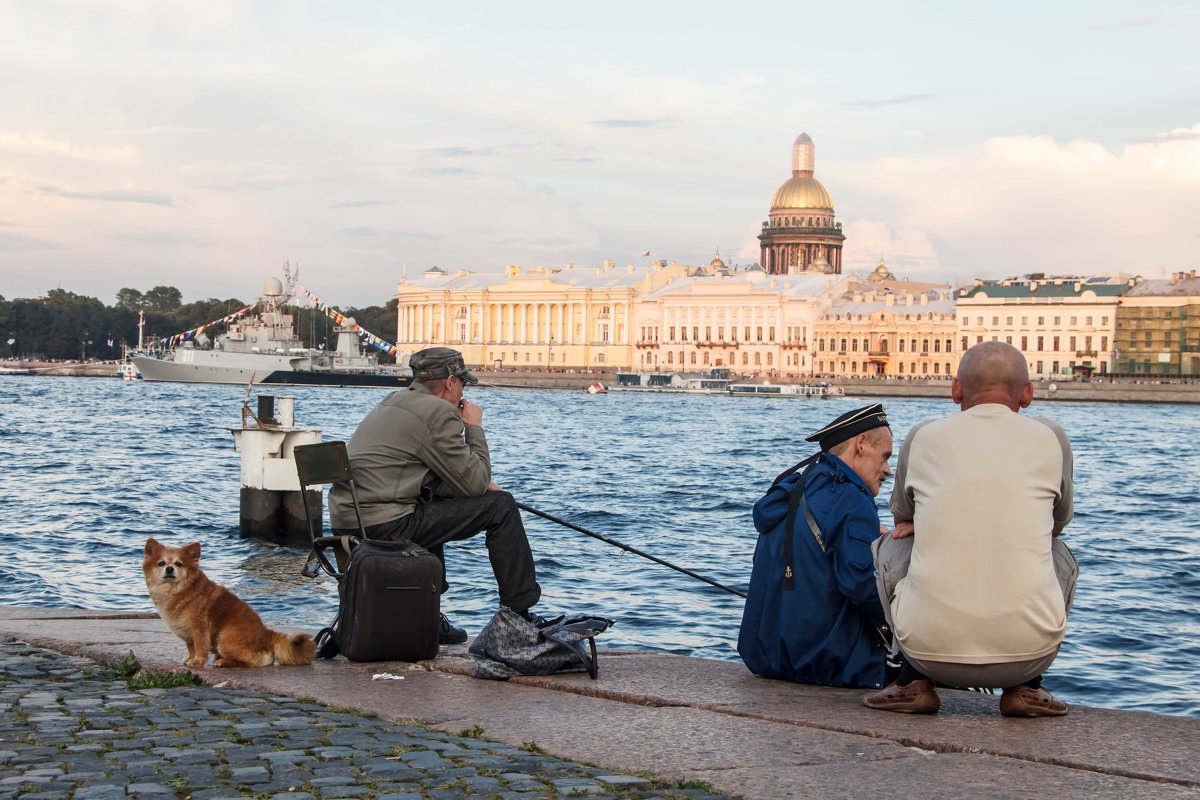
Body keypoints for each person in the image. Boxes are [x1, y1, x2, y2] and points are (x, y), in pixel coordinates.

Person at [864, 341, 1078, 717]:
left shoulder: (923, 435)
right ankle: (1026, 688)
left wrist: (930, 519)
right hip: (1028, 654)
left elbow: (900, 519)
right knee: (1057, 551)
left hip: (927, 650)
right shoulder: (1052, 438)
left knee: (891, 545)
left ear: (956, 389)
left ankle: (912, 680)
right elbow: (1057, 525)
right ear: (1027, 393)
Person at [328, 347, 542, 645]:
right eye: (462, 384)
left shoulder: (393, 401)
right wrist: (474, 427)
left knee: (432, 503)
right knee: (501, 508)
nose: (463, 390)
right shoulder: (439, 412)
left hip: (349, 521)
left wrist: (477, 484)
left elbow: (423, 476)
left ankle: (426, 614)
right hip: (385, 524)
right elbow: (475, 483)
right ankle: (519, 615)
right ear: (450, 382)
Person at [738, 404, 895, 688]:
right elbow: (862, 585)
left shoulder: (793, 491)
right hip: (828, 665)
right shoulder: (850, 499)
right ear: (860, 444)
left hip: (769, 658)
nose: (887, 470)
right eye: (884, 457)